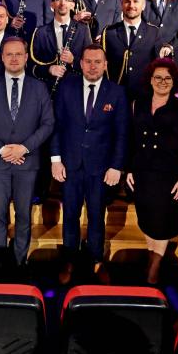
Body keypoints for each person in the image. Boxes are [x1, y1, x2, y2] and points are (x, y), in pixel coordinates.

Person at [0, 37, 54, 271]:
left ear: (26, 57)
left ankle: (19, 262)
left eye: (18, 54)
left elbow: (48, 123)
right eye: (9, 54)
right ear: (2, 57)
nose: (13, 58)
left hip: (27, 163)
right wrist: (1, 150)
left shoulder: (39, 87)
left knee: (23, 215)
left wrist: (24, 148)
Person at [51, 44, 128, 273]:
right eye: (88, 61)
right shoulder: (66, 87)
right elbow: (56, 125)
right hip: (70, 165)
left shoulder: (117, 92)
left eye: (97, 62)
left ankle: (96, 260)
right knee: (70, 214)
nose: (93, 66)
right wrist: (55, 159)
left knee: (96, 215)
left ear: (105, 65)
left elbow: (122, 133)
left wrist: (116, 166)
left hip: (101, 168)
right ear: (81, 63)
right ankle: (69, 259)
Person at [127, 58, 178, 284]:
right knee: (147, 218)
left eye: (168, 78)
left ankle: (154, 268)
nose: (162, 81)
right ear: (150, 80)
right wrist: (129, 168)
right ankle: (152, 257)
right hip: (142, 173)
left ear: (174, 82)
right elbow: (130, 139)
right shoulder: (137, 104)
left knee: (162, 221)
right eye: (158, 77)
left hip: (169, 175)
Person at [102, 0, 162, 102]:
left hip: (144, 97)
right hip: (116, 97)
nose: (131, 5)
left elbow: (159, 68)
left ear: (143, 6)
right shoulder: (109, 32)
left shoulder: (154, 32)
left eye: (136, 1)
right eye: (127, 1)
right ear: (121, 4)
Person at [29, 0, 92, 90]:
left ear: (72, 5)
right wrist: (49, 69)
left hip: (75, 89)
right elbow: (31, 66)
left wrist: (73, 61)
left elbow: (91, 62)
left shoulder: (83, 30)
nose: (62, 3)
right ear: (52, 4)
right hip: (48, 90)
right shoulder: (40, 32)